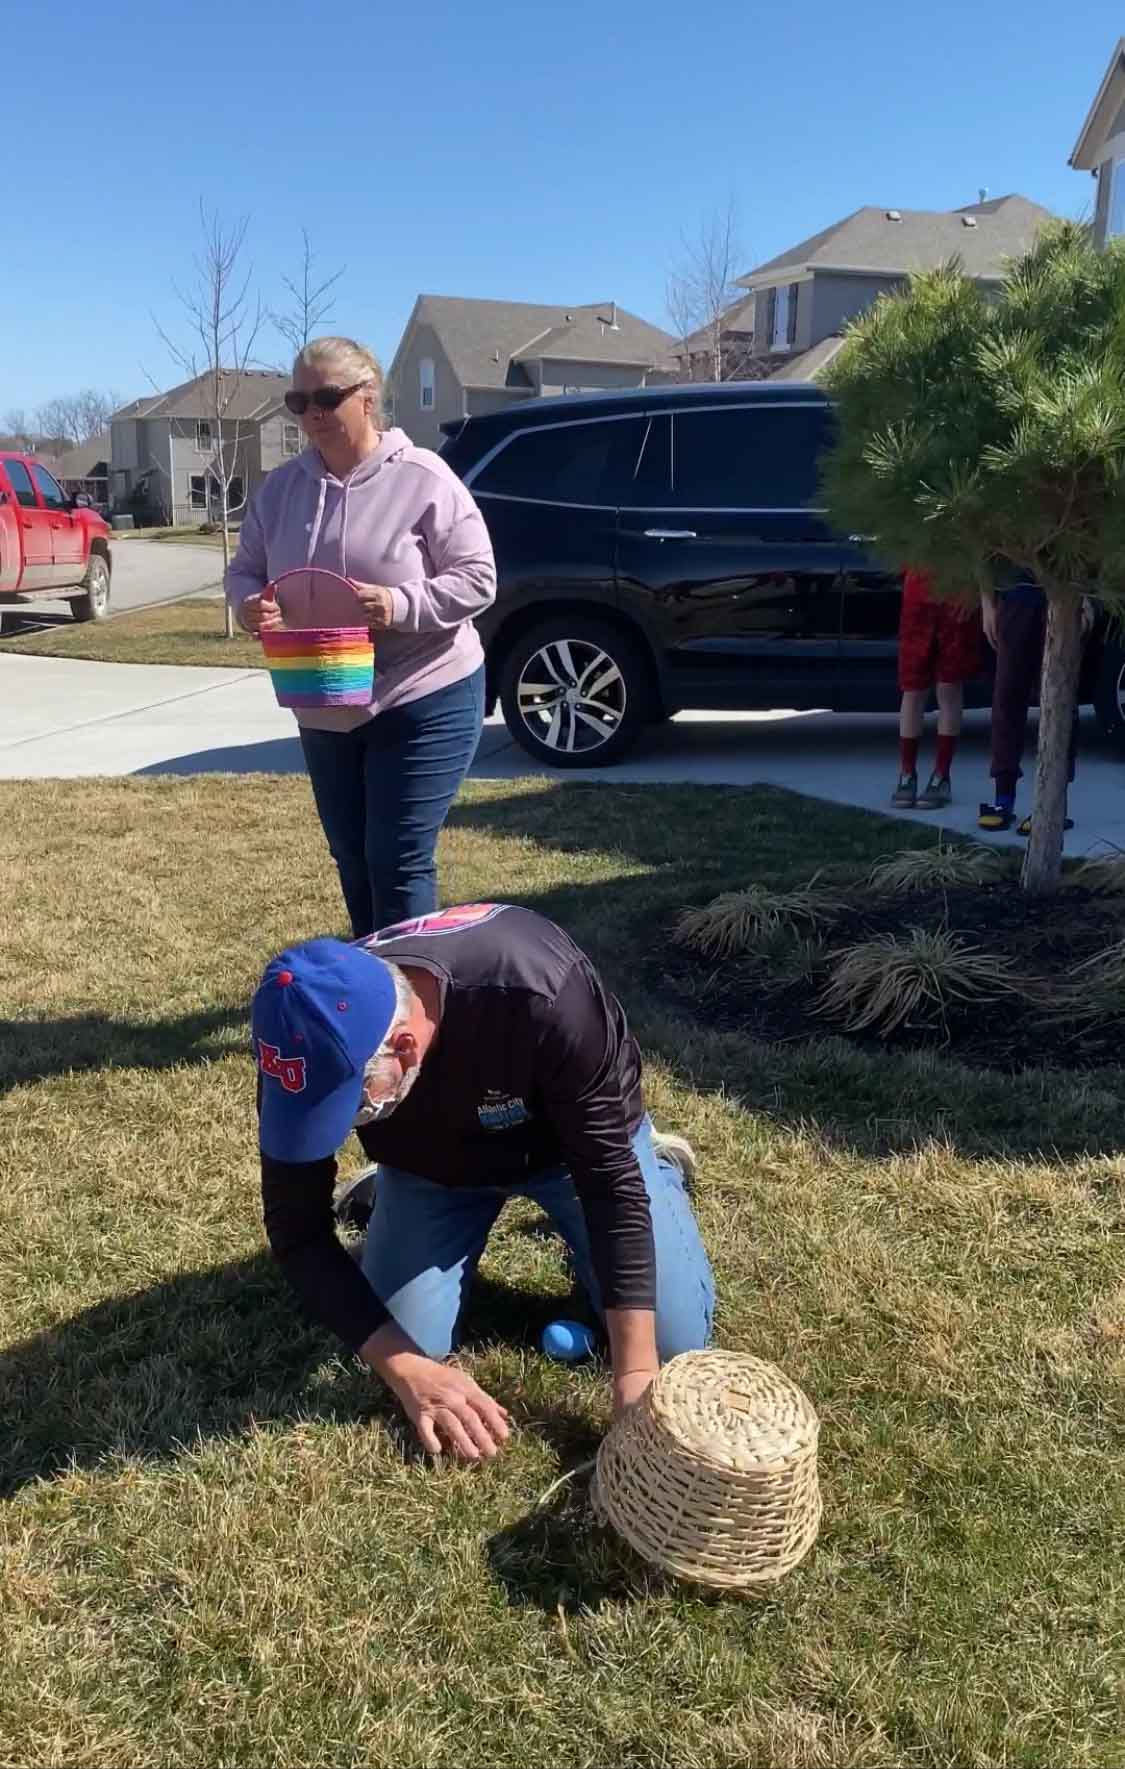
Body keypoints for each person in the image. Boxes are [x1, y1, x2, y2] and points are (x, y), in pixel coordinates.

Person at [254, 903, 715, 1461]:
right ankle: (393, 1190)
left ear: (405, 1049)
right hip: (434, 1170)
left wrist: (635, 1372)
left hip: (571, 1154)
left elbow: (609, 1186)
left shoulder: (539, 990)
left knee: (672, 1345)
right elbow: (297, 1231)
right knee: (405, 1337)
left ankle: (655, 1166)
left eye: (350, 1111)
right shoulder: (305, 1034)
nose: (336, 1128)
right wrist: (407, 1370)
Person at [227, 337, 496, 937]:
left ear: (368, 397)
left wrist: (399, 604)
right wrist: (248, 604)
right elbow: (245, 567)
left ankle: (414, 1011)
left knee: (396, 860)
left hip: (424, 689)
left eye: (327, 396)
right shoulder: (282, 488)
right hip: (324, 693)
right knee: (351, 856)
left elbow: (479, 580)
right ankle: (375, 984)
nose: (312, 413)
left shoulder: (424, 477)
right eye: (299, 400)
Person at [977, 578, 1087, 835]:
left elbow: (1092, 548)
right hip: (1015, 595)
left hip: (1063, 596)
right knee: (1007, 700)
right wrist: (986, 603)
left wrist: (1088, 603)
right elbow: (985, 550)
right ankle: (1003, 797)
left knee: (1061, 701)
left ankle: (1053, 804)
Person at [892, 568, 983, 810]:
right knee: (913, 688)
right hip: (918, 596)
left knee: (949, 686)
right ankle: (907, 774)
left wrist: (975, 588)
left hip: (957, 593)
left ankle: (942, 775)